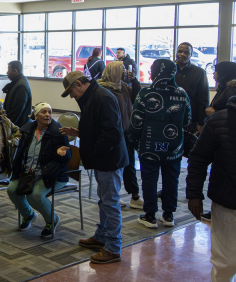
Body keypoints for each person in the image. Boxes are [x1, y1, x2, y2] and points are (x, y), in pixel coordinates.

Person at [60, 71, 128, 264]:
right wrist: (79, 132)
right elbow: (99, 128)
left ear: (80, 84)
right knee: (104, 201)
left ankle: (113, 248)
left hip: (108, 160)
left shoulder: (102, 98)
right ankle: (102, 236)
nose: (72, 96)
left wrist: (94, 152)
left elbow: (112, 134)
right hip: (104, 159)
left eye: (71, 91)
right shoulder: (93, 97)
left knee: (110, 202)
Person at [128, 59, 191, 229]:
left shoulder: (145, 93)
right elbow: (188, 120)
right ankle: (169, 215)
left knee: (149, 179)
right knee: (172, 179)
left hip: (150, 146)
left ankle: (150, 216)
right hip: (174, 146)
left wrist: (132, 140)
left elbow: (136, 122)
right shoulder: (181, 93)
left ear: (155, 73)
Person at [186, 95, 236, 282]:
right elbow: (198, 158)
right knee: (226, 262)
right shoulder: (219, 120)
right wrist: (194, 194)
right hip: (228, 202)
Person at [8, 102, 71, 237]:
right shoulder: (27, 131)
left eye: (49, 112)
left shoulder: (58, 132)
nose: (47, 115)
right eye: (43, 112)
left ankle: (52, 220)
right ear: (36, 116)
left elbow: (67, 158)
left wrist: (60, 153)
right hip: (28, 173)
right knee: (12, 190)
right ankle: (28, 215)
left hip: (52, 174)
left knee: (35, 195)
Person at [98, 61, 143, 209]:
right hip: (113, 134)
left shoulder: (123, 87)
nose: (125, 72)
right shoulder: (103, 89)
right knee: (115, 168)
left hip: (126, 131)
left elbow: (137, 94)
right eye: (122, 70)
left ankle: (134, 195)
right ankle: (113, 196)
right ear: (114, 72)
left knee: (130, 163)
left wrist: (134, 79)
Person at [200, 61, 236, 223]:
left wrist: (214, 113)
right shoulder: (224, 88)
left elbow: (231, 114)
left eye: (216, 71)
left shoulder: (231, 90)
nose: (213, 74)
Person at [174, 42, 209, 135]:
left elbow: (203, 98)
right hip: (168, 117)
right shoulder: (169, 70)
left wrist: (201, 122)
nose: (182, 54)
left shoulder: (199, 72)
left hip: (190, 119)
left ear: (191, 55)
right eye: (180, 51)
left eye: (186, 53)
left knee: (188, 147)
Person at [3, 60, 33, 128]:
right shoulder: (17, 82)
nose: (7, 73)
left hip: (20, 126)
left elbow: (16, 111)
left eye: (8, 70)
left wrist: (8, 127)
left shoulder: (21, 86)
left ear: (15, 71)